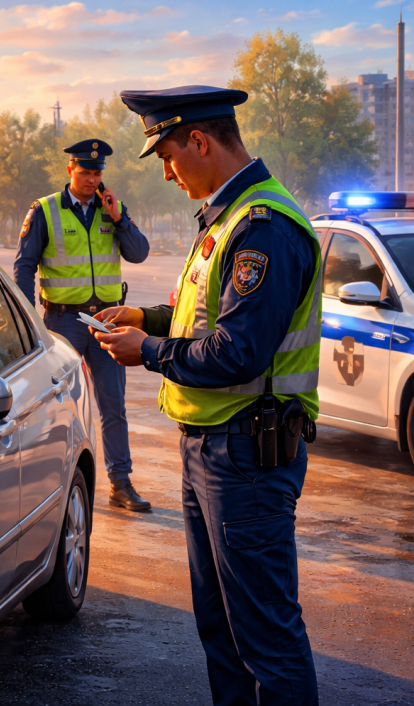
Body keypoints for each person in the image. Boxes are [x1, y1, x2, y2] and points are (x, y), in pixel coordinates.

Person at [91, 86, 322, 704]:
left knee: (265, 639)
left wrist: (147, 353)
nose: (166, 173)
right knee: (221, 629)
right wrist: (144, 318)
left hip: (246, 456)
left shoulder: (263, 228)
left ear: (200, 141)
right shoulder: (226, 218)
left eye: (167, 156)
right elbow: (201, 317)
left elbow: (236, 352)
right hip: (214, 453)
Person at [14, 138, 153, 511]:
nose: (92, 180)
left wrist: (119, 219)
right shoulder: (45, 211)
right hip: (64, 321)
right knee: (58, 406)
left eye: (97, 173)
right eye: (86, 172)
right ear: (70, 170)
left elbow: (139, 253)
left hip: (106, 321)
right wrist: (29, 322)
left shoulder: (113, 209)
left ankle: (120, 484)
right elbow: (24, 267)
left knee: (113, 405)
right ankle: (53, 484)